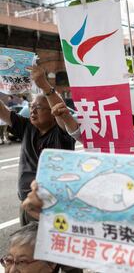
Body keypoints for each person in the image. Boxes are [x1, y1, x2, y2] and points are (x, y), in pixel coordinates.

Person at [0, 66, 75, 226]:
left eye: (38, 108)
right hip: (27, 203)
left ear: (52, 112)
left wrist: (44, 85)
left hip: (53, 208)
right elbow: (2, 111)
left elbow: (61, 111)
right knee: (26, 247)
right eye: (31, 107)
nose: (32, 111)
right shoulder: (27, 126)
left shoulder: (63, 133)